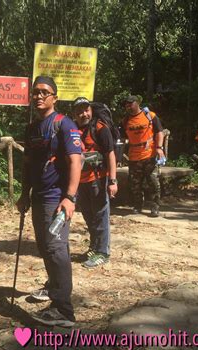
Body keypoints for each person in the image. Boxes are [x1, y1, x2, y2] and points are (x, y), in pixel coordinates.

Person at [16, 76, 81, 327]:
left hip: (57, 198)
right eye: (35, 92)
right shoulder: (32, 128)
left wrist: (70, 197)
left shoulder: (65, 124)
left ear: (55, 96)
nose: (39, 96)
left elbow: (76, 160)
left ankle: (63, 310)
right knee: (46, 248)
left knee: (56, 249)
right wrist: (24, 194)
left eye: (45, 92)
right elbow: (28, 164)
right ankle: (54, 288)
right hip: (39, 197)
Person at [72, 97, 117, 268]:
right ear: (74, 114)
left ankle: (103, 253)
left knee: (100, 216)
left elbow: (110, 154)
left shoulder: (100, 128)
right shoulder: (73, 129)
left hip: (98, 179)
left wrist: (112, 181)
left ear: (91, 110)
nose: (84, 114)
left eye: (86, 110)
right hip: (81, 181)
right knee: (88, 215)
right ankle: (94, 247)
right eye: (80, 112)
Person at [122, 95, 164, 217]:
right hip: (134, 157)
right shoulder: (125, 120)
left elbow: (159, 132)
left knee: (153, 181)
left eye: (130, 104)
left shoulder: (150, 115)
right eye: (126, 105)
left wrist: (159, 148)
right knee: (135, 184)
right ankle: (137, 205)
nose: (128, 106)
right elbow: (122, 137)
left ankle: (155, 206)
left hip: (149, 155)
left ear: (137, 103)